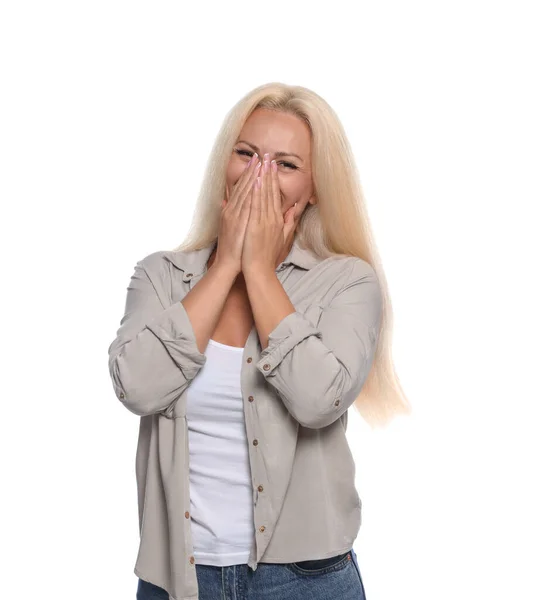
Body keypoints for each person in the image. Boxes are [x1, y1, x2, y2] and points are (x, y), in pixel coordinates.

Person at [108, 82, 411, 600]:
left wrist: (259, 270)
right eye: (246, 154)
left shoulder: (348, 282)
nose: (259, 176)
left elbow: (319, 400)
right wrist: (226, 264)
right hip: (178, 580)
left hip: (304, 580)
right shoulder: (159, 276)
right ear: (224, 167)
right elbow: (136, 386)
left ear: (314, 188)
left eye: (286, 164)